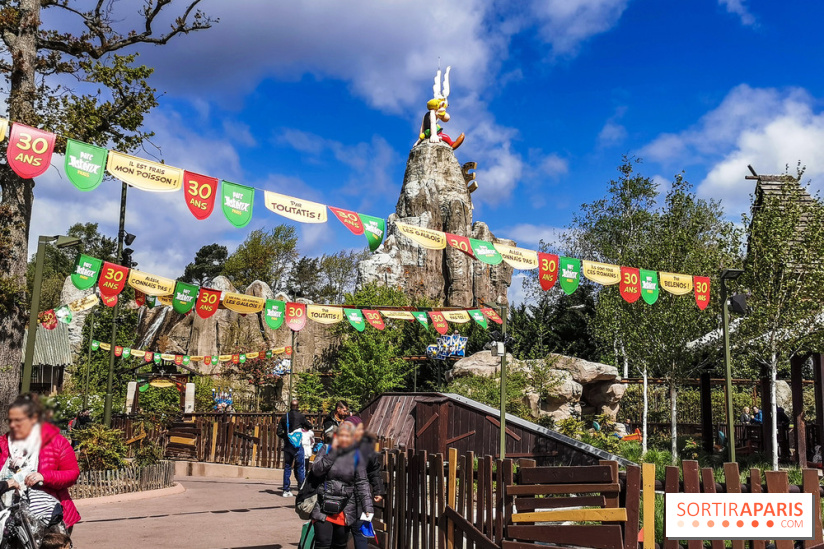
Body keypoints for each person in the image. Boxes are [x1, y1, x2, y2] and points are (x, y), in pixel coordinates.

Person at [0, 394, 80, 531]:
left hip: (49, 515)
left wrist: (44, 476)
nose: (12, 425)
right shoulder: (3, 443)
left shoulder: (57, 442)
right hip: (7, 515)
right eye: (10, 420)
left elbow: (72, 474)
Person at [311, 421, 374, 549]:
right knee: (323, 543)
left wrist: (368, 507)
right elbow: (316, 470)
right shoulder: (326, 449)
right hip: (323, 505)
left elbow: (362, 483)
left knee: (339, 545)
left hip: (345, 508)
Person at [346, 416, 385, 549]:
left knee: (359, 531)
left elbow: (374, 471)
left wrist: (378, 490)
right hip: (340, 496)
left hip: (360, 497)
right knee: (341, 533)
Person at [278, 399, 306, 497]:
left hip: (288, 445)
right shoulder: (301, 417)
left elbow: (279, 431)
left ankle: (286, 490)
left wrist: (286, 437)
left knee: (287, 467)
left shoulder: (285, 417)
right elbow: (309, 426)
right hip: (298, 445)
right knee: (300, 468)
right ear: (298, 406)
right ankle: (301, 489)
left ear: (290, 406)